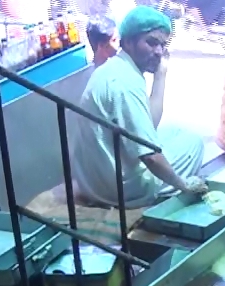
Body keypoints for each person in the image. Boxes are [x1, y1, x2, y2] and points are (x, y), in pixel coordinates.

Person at [71, 6, 206, 209]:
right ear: (127, 42)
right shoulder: (125, 84)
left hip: (94, 181)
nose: (159, 52)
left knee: (176, 132)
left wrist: (161, 75)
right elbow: (150, 157)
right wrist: (184, 185)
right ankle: (153, 196)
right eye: (151, 43)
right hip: (117, 189)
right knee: (194, 143)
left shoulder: (115, 68)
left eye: (162, 44)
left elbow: (149, 125)